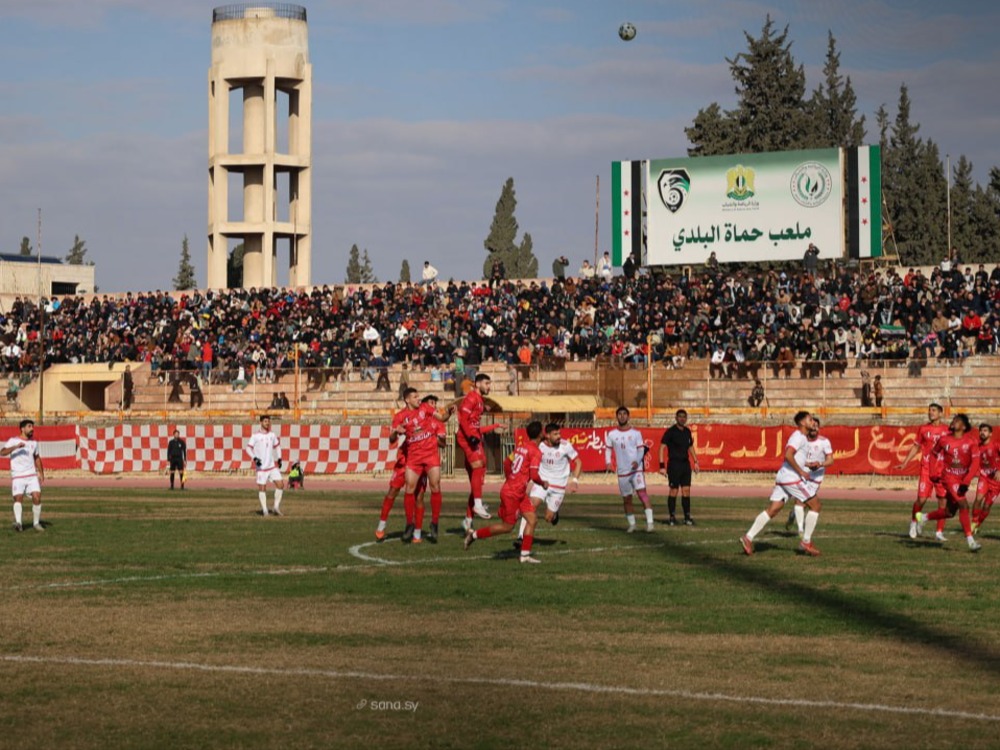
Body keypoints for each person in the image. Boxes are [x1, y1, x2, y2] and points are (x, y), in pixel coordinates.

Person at [464, 420, 548, 564]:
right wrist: (543, 483)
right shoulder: (536, 452)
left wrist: (511, 478)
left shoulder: (521, 447)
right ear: (540, 434)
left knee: (532, 519)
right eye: (543, 430)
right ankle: (474, 535)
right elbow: (534, 475)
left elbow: (507, 463)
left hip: (517, 491)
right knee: (507, 527)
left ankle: (525, 555)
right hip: (513, 493)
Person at [740, 411, 822, 556]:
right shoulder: (799, 437)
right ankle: (806, 542)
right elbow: (788, 455)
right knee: (815, 505)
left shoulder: (801, 437)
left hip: (784, 476)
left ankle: (748, 537)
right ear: (802, 423)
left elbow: (795, 457)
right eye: (810, 419)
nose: (813, 422)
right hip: (791, 478)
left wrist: (808, 465)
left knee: (774, 509)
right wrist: (801, 472)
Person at [390, 387, 452, 543]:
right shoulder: (400, 416)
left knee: (435, 486)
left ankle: (435, 523)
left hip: (431, 455)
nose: (419, 399)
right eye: (415, 397)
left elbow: (442, 418)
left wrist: (450, 413)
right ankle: (409, 524)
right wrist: (395, 432)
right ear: (407, 400)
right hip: (414, 458)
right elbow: (391, 439)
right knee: (409, 489)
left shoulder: (426, 408)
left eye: (418, 396)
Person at [915, 413, 982, 552]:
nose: (953, 422)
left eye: (957, 421)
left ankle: (924, 517)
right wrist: (933, 472)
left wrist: (966, 481)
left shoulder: (971, 441)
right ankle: (971, 541)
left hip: (962, 479)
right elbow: (933, 454)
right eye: (953, 420)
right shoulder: (944, 440)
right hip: (949, 478)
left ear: (963, 426)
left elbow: (976, 463)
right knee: (964, 504)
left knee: (949, 513)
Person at [516, 422, 582, 546]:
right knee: (530, 506)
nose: (559, 436)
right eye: (555, 434)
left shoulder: (565, 446)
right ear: (547, 435)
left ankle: (554, 514)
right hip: (542, 482)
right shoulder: (539, 445)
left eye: (559, 433)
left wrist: (575, 481)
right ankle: (521, 537)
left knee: (548, 518)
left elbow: (578, 462)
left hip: (558, 487)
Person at [894, 403, 950, 540]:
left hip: (941, 471)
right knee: (921, 499)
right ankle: (914, 522)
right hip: (926, 468)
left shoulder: (948, 430)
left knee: (943, 501)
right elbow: (916, 447)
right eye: (929, 410)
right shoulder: (923, 429)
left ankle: (939, 532)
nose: (930, 413)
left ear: (941, 413)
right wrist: (905, 462)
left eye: (934, 410)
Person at [457, 373, 506, 529]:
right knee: (478, 466)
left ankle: (468, 520)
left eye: (489, 383)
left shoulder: (479, 401)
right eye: (486, 383)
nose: (489, 386)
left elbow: (476, 427)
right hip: (467, 439)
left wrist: (495, 426)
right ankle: (478, 504)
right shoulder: (471, 398)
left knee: (477, 482)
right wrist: (470, 436)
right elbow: (462, 420)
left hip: (474, 438)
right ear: (477, 384)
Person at [606, 406, 655, 533]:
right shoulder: (611, 434)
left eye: (624, 414)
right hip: (622, 471)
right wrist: (608, 462)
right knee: (627, 499)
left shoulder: (636, 433)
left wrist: (637, 461)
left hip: (635, 470)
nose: (622, 416)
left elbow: (641, 449)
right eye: (619, 414)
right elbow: (608, 449)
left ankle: (650, 523)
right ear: (617, 417)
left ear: (628, 416)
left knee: (642, 494)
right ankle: (632, 525)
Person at [785, 418, 834, 535]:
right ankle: (801, 531)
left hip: (816, 478)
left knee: (807, 503)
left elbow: (831, 460)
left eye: (817, 426)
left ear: (819, 428)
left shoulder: (824, 442)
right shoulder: (801, 441)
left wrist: (820, 464)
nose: (814, 428)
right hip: (802, 474)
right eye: (813, 425)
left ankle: (793, 514)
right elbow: (792, 456)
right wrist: (805, 464)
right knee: (799, 501)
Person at [0, 418, 45, 531]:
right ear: (22, 428)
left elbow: (37, 458)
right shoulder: (13, 440)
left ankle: (36, 523)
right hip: (18, 475)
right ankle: (19, 523)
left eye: (32, 427)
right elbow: (2, 452)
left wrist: (41, 473)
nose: (32, 429)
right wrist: (15, 447)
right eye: (29, 426)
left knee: (37, 497)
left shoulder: (34, 442)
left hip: (31, 475)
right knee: (18, 498)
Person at [658, 409, 700, 526]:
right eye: (680, 416)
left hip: (685, 464)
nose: (682, 419)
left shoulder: (687, 431)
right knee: (674, 490)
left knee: (686, 491)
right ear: (676, 418)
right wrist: (662, 466)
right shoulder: (671, 432)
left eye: (684, 417)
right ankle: (672, 517)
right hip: (674, 464)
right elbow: (661, 447)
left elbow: (690, 447)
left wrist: (695, 461)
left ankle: (687, 517)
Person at [245, 414, 285, 517]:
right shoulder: (255, 436)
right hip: (261, 468)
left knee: (280, 485)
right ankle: (265, 511)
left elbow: (277, 446)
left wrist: (279, 458)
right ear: (261, 422)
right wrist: (255, 458)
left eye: (268, 421)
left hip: (271, 465)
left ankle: (276, 507)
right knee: (262, 488)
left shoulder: (272, 435)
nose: (267, 423)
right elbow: (248, 448)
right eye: (265, 421)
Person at [972, 423, 998, 535]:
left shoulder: (996, 445)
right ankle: (973, 523)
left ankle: (978, 523)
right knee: (978, 499)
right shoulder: (977, 446)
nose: (982, 432)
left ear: (991, 434)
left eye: (985, 430)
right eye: (981, 430)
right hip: (984, 477)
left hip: (996, 481)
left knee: (987, 506)